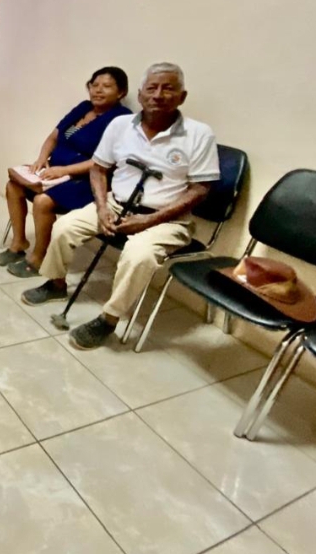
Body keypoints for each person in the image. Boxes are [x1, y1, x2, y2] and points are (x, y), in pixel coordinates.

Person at [23, 62, 220, 351]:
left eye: (168, 88)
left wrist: (148, 221)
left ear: (182, 96)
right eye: (151, 88)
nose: (158, 95)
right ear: (140, 95)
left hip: (166, 219)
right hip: (115, 204)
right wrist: (102, 207)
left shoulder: (199, 134)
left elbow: (201, 188)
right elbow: (98, 168)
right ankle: (56, 284)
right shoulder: (120, 125)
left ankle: (109, 318)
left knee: (138, 255)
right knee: (64, 227)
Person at [0, 67, 131, 277]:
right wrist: (42, 159)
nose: (98, 90)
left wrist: (64, 170)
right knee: (13, 186)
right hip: (55, 172)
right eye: (94, 85)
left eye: (106, 86)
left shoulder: (122, 119)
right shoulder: (84, 107)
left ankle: (39, 258)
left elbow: (105, 162)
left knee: (42, 201)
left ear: (121, 92)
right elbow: (54, 136)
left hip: (87, 181)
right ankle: (18, 242)